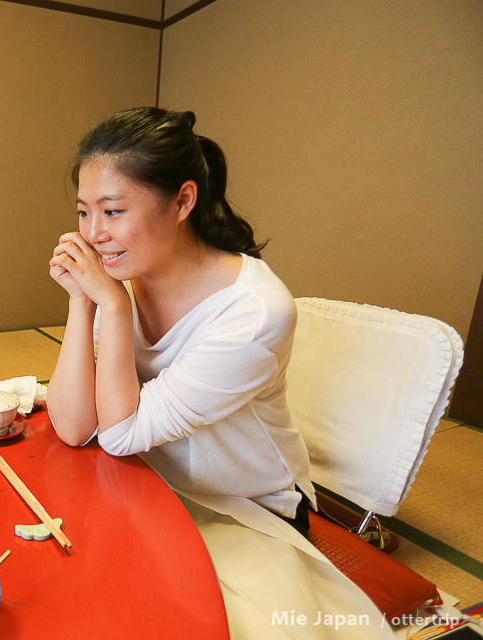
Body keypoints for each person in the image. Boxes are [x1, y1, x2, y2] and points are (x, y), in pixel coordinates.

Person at [47, 107, 392, 639]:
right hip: (149, 484)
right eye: (84, 212)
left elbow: (117, 434)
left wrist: (112, 307)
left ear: (183, 200)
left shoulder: (254, 312)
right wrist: (82, 303)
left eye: (113, 211)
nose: (93, 235)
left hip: (243, 507)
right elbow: (73, 427)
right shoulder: (127, 274)